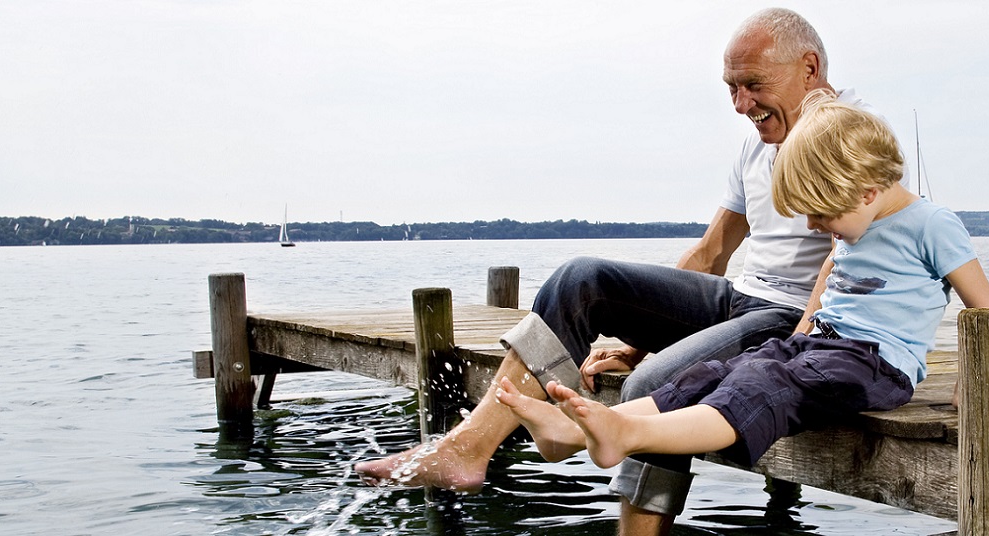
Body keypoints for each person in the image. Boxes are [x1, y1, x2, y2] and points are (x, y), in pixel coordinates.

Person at [356, 9, 876, 530]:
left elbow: (845, 261)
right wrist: (642, 336)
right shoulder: (756, 143)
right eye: (732, 89)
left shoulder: (856, 136)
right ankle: (470, 446)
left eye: (753, 85)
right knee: (579, 279)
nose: (741, 105)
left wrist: (799, 345)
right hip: (739, 298)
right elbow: (712, 252)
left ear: (808, 68)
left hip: (793, 318)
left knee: (653, 384)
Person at [494, 89, 989, 535]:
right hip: (820, 345)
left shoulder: (932, 225)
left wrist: (975, 382)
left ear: (867, 191)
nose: (817, 225)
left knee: (763, 386)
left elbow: (986, 311)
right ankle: (574, 431)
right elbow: (828, 281)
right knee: (716, 372)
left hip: (875, 363)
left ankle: (628, 433)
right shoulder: (856, 222)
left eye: (822, 215)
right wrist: (801, 334)